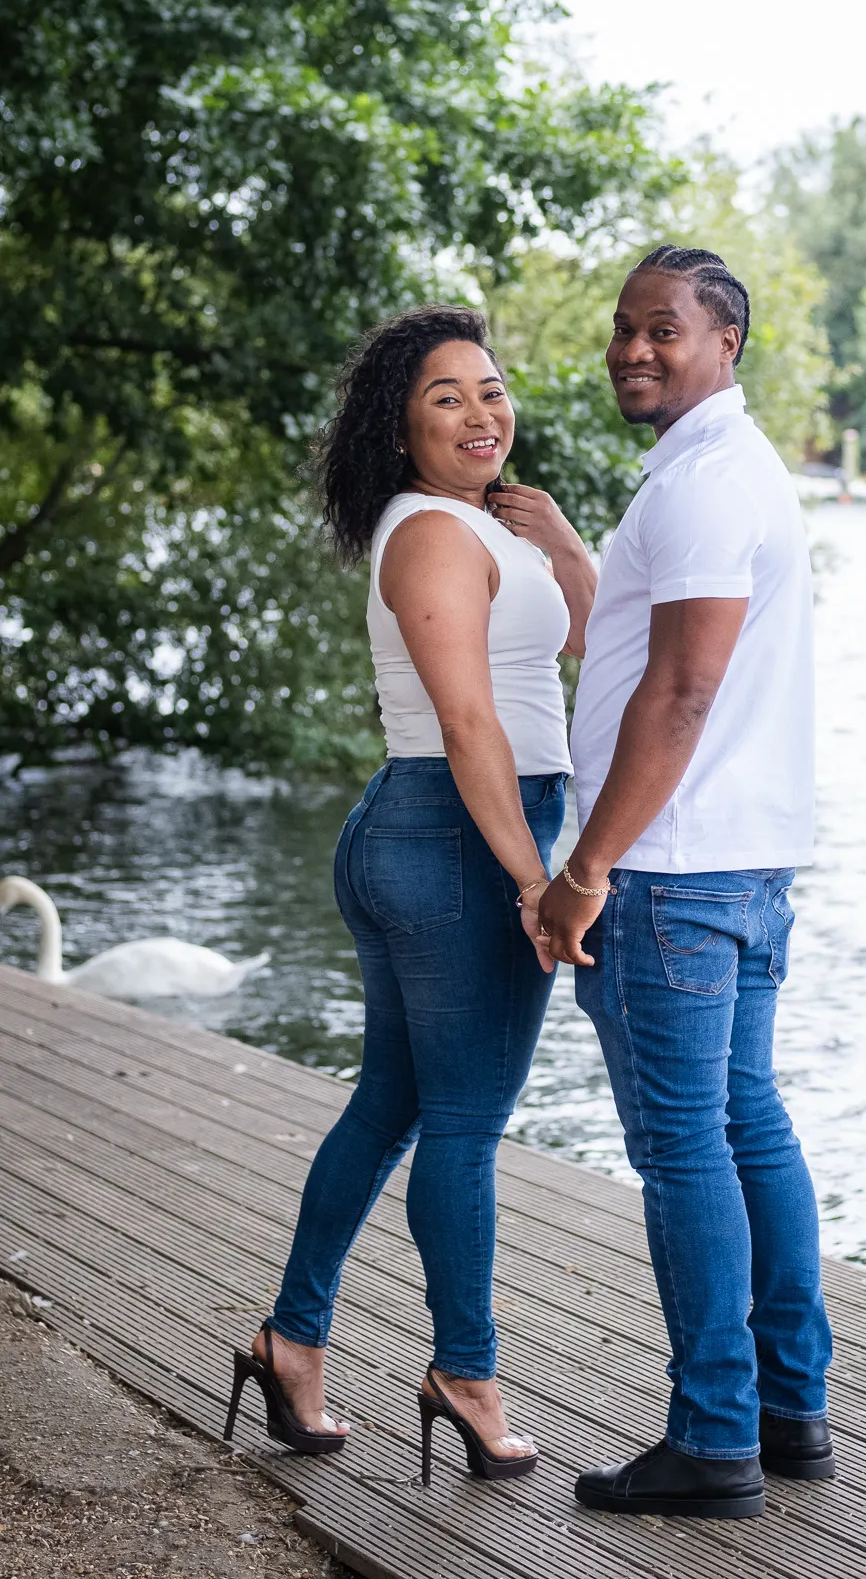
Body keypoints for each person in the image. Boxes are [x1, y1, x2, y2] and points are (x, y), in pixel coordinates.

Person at [223, 305, 596, 1484]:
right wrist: (535, 880)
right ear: (399, 428)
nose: (483, 413)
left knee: (391, 1101)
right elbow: (468, 718)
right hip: (455, 831)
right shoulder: (432, 536)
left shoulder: (483, 526)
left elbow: (588, 642)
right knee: (467, 1124)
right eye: (448, 397)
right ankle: (466, 1373)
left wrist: (566, 542)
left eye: (491, 389)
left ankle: (292, 1340)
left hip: (446, 825)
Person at [527, 245, 834, 1521]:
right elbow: (645, 650)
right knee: (745, 1120)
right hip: (744, 860)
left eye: (664, 327)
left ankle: (713, 1435)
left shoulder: (706, 482)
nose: (632, 347)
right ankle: (785, 1407)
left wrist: (586, 864)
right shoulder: (723, 473)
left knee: (684, 1148)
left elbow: (685, 687)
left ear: (727, 344)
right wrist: (564, 549)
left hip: (670, 870)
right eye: (623, 326)